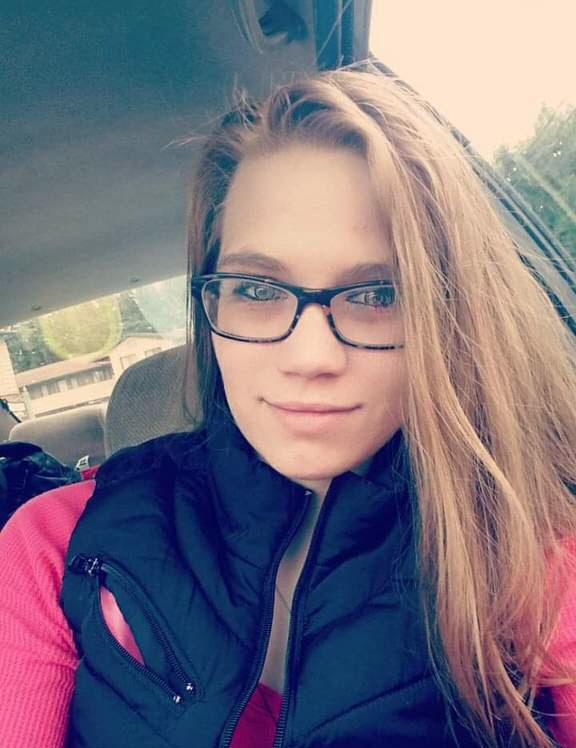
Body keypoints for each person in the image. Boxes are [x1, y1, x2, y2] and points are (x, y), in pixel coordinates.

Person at [1, 65, 575, 748]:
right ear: (212, 307)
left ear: (448, 315)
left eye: (378, 294)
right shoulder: (55, 546)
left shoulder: (533, 551)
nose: (310, 356)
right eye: (256, 289)